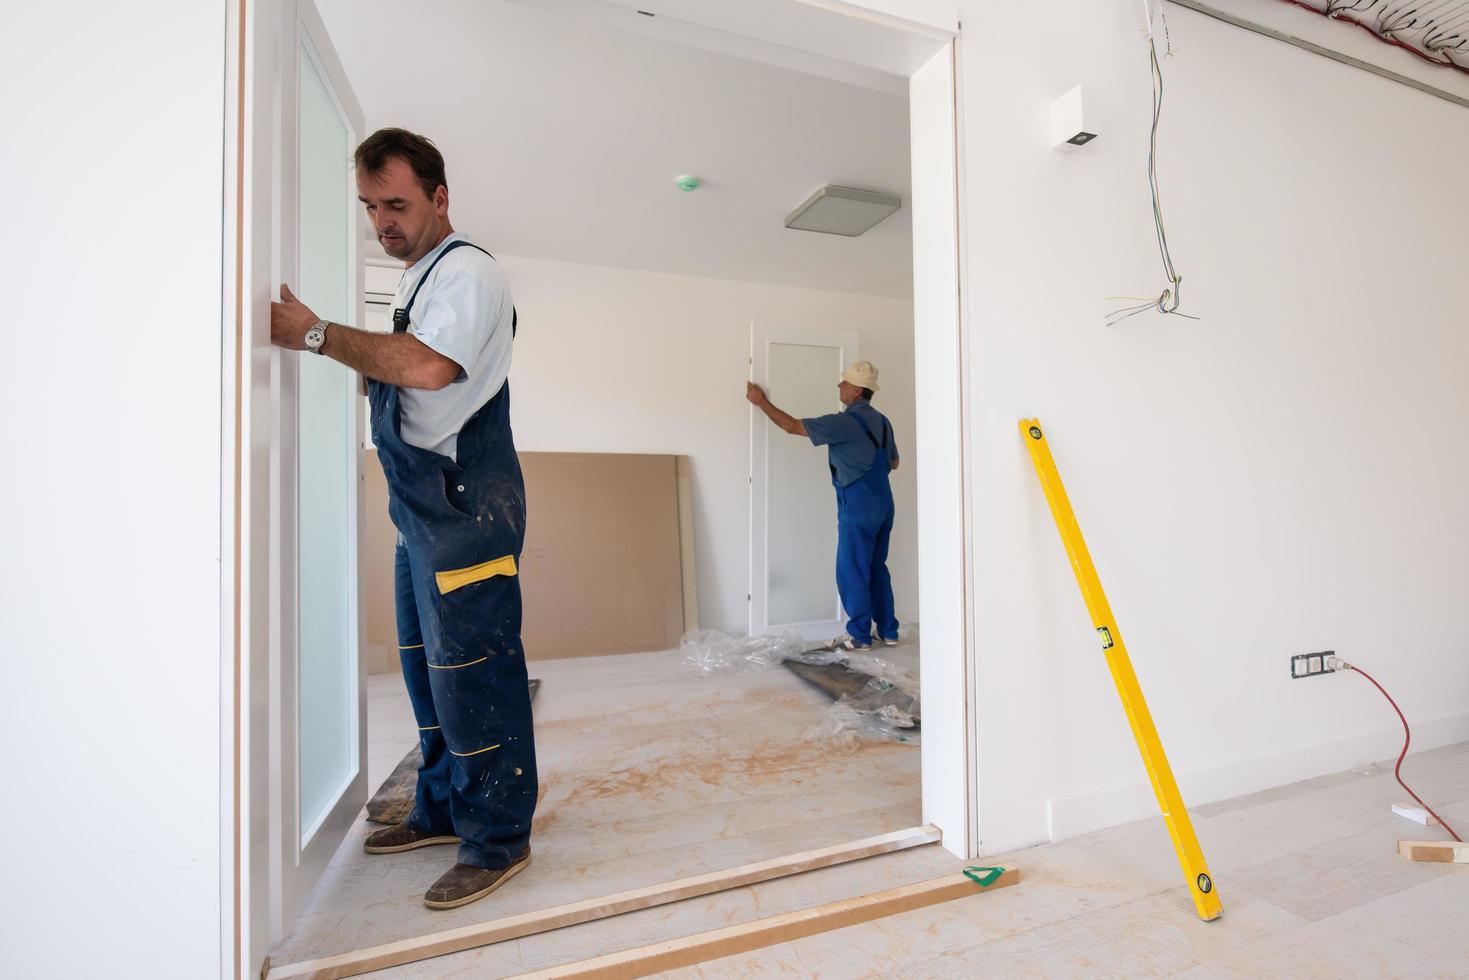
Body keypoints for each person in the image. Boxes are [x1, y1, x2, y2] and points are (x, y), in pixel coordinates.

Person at [271, 127, 536, 911]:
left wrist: (316, 335)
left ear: (439, 197)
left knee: (474, 676)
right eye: (370, 207)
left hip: (466, 507)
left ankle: (497, 839)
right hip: (425, 507)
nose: (382, 221)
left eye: (396, 203)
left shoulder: (468, 273)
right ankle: (443, 809)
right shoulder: (420, 279)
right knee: (426, 668)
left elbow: (428, 366)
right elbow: (412, 379)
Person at [746, 360, 900, 651]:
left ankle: (859, 636)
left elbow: (792, 426)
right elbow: (894, 462)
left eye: (843, 383)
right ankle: (888, 631)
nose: (839, 386)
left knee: (852, 569)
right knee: (877, 566)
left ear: (856, 390)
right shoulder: (882, 421)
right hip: (884, 504)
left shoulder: (842, 422)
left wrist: (762, 402)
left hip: (858, 506)